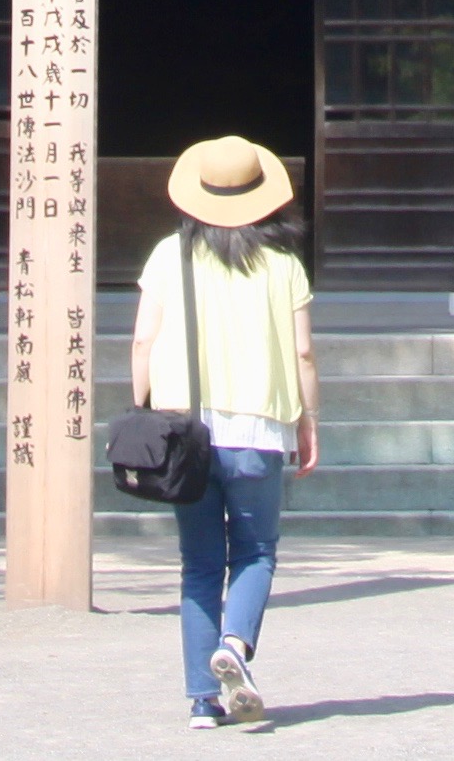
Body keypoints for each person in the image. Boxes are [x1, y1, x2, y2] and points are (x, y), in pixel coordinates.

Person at [129, 137, 317, 730]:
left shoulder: (169, 255)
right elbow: (303, 354)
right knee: (256, 551)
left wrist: (144, 409)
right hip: (260, 429)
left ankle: (202, 702)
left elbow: (142, 340)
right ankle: (235, 644)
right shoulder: (284, 264)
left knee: (200, 564)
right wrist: (308, 421)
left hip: (187, 433)